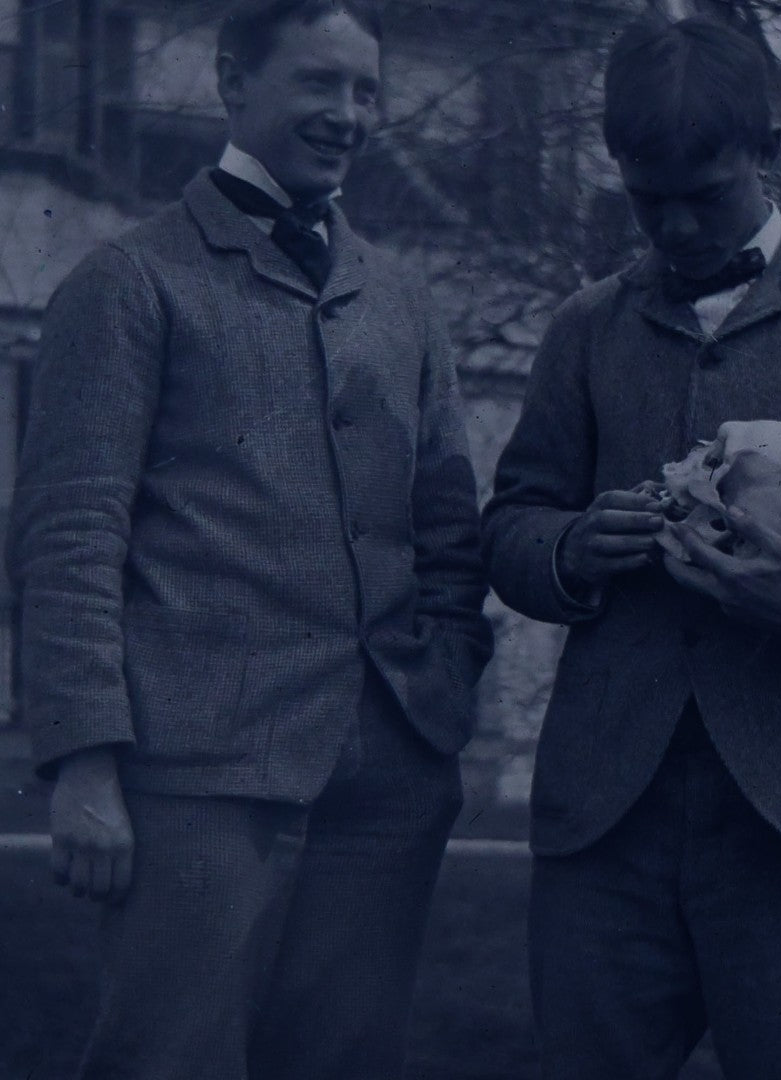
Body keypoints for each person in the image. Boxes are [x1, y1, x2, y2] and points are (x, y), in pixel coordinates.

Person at [482, 14, 781, 1080]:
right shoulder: (586, 328)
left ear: (769, 153)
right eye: (644, 198)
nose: (673, 227)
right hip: (608, 826)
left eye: (702, 196)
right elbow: (512, 525)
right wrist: (575, 545)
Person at [6, 2, 492, 1078]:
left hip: (384, 784)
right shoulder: (129, 282)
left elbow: (447, 527)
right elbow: (71, 532)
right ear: (233, 80)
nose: (350, 114)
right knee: (165, 1062)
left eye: (367, 91)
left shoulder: (402, 301)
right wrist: (85, 764)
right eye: (319, 83)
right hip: (196, 784)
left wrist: (441, 698)